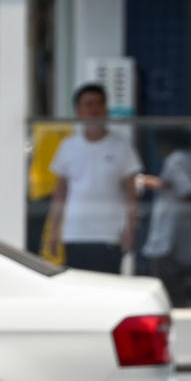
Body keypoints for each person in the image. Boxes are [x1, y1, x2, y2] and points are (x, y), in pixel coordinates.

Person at [45, 83, 142, 274]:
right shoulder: (68, 146)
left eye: (99, 103)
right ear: (78, 111)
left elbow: (131, 194)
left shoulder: (121, 146)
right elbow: (60, 195)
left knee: (109, 290)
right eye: (88, 104)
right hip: (75, 233)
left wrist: (130, 229)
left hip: (109, 235)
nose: (94, 109)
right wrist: (53, 232)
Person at [139, 128, 191, 307]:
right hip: (185, 223)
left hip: (172, 226)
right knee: (178, 275)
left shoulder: (176, 159)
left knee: (165, 276)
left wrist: (156, 183)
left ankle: (172, 308)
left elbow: (188, 190)